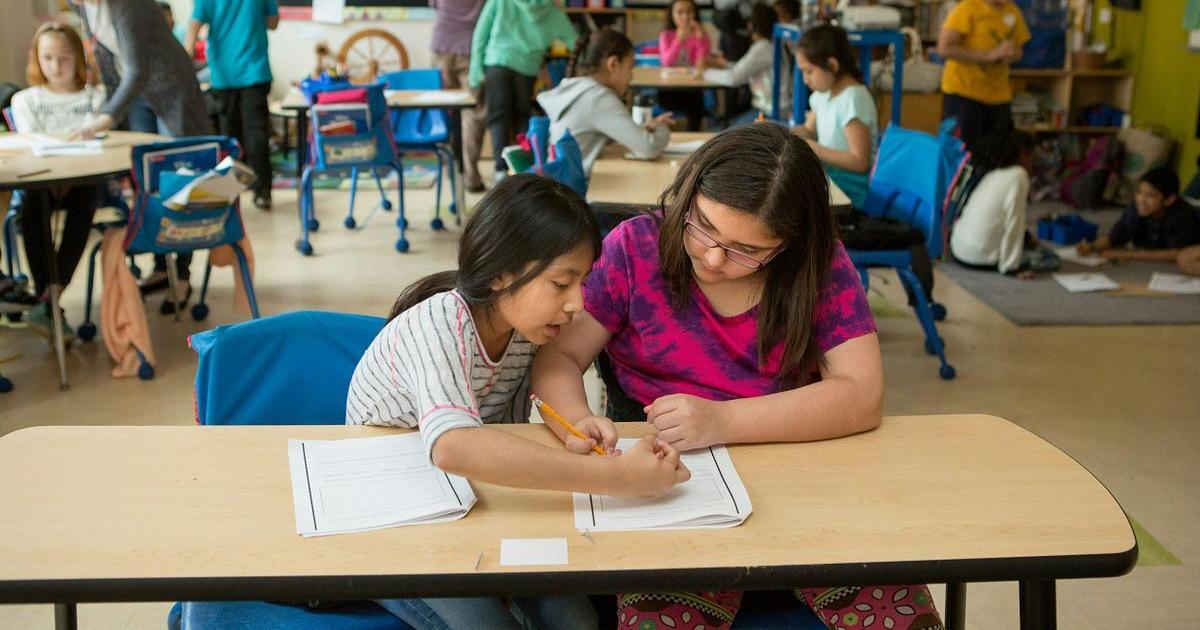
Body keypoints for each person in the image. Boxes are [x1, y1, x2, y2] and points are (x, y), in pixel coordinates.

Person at [531, 124, 943, 630]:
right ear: (687, 195)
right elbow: (557, 359)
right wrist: (576, 419)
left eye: (747, 250)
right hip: (670, 484)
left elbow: (861, 395)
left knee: (900, 615)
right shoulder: (634, 248)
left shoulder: (819, 266)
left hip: (800, 473)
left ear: (790, 244)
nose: (712, 258)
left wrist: (722, 420)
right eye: (702, 226)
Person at [346, 174, 690, 630]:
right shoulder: (438, 325)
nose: (577, 304)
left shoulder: (524, 328)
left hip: (477, 500)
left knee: (577, 622)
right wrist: (613, 476)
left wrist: (577, 421)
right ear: (500, 275)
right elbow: (455, 446)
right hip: (394, 517)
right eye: (561, 283)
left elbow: (534, 405)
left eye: (583, 283)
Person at [76, 0, 213, 314]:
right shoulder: (81, 4)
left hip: (171, 87)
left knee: (178, 180)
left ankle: (182, 271)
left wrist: (108, 115)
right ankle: (161, 266)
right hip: (135, 93)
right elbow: (105, 55)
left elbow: (138, 67)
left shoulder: (127, 3)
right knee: (144, 180)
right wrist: (107, 105)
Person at [10, 22, 108, 342]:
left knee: (86, 197)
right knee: (31, 205)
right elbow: (30, 142)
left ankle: (48, 301)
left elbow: (100, 141)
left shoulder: (97, 96)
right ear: (37, 59)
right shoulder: (25, 99)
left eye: (63, 58)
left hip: (83, 181)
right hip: (41, 181)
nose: (55, 66)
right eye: (47, 58)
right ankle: (51, 301)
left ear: (78, 58)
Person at [537, 29, 672, 176]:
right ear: (613, 64)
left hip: (561, 183)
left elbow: (609, 128)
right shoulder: (598, 98)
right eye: (630, 67)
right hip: (578, 190)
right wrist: (662, 128)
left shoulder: (578, 87)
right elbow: (649, 147)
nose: (632, 76)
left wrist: (641, 129)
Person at [469, 0, 576, 185]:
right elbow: (576, 42)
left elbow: (480, 33)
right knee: (522, 118)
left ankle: (501, 171)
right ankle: (524, 171)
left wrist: (475, 71)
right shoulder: (552, 12)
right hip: (527, 69)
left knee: (498, 118)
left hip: (497, 62)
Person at [186, 0, 277, 210]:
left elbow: (193, 28)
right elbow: (273, 22)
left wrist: (185, 62)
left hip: (224, 74)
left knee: (230, 136)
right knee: (257, 132)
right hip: (255, 69)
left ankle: (230, 193)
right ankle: (262, 192)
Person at [792, 24, 876, 210]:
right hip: (830, 180)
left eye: (809, 71)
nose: (805, 80)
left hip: (849, 190)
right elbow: (809, 131)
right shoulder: (823, 93)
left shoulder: (854, 98)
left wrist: (813, 148)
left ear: (832, 65)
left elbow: (860, 162)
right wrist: (780, 132)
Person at [937, 0, 1030, 154]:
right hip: (964, 92)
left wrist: (1011, 55)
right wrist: (988, 56)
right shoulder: (967, 8)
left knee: (1001, 152)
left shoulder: (1013, 11)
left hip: (999, 95)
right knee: (964, 153)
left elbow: (1019, 50)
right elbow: (944, 49)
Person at [950, 129, 1037, 275]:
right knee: (1046, 259)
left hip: (959, 249)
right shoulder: (1018, 175)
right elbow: (1014, 220)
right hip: (979, 258)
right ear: (1022, 152)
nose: (1032, 162)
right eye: (1031, 156)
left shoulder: (994, 172)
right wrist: (1011, 266)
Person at [1076, 166, 1200, 261]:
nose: (1142, 200)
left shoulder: (1181, 215)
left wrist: (1128, 254)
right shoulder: (1136, 209)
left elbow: (1177, 253)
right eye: (1139, 192)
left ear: (1169, 199)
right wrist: (1092, 246)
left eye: (1151, 196)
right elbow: (1114, 238)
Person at [431, 0, 488, 192]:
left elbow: (434, 5)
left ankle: (451, 167)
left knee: (443, 110)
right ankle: (470, 176)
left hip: (441, 44)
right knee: (473, 113)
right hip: (471, 47)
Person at [699, 4, 787, 126]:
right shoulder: (773, 44)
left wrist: (704, 73)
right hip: (773, 108)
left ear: (751, 25)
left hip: (770, 112)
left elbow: (734, 78)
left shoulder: (763, 47)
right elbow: (744, 68)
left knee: (727, 135)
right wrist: (723, 65)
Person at [658, 0, 711, 131]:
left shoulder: (702, 34)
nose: (685, 16)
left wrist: (699, 39)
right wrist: (678, 40)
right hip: (669, 87)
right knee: (666, 102)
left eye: (689, 12)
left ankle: (693, 139)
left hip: (692, 87)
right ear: (672, 15)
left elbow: (701, 63)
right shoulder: (666, 35)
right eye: (680, 12)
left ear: (695, 14)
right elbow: (666, 62)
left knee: (697, 102)